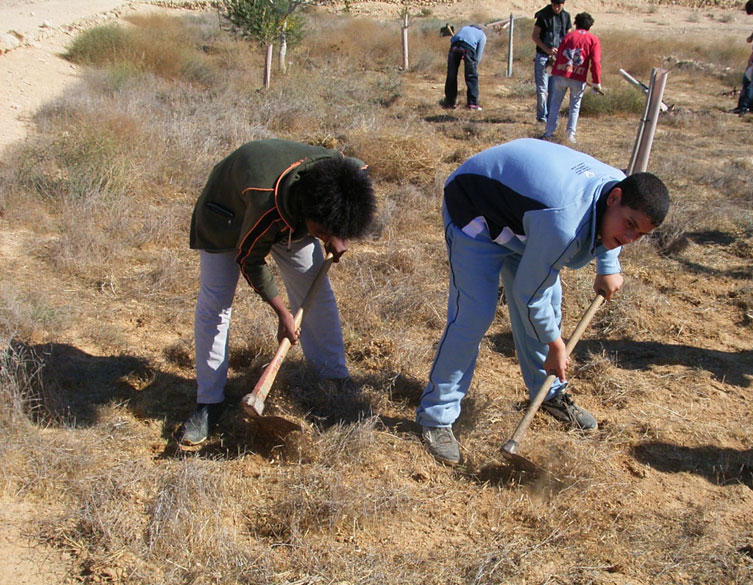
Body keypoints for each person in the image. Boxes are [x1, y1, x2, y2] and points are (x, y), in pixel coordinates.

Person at [417, 138, 670, 465]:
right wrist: (555, 346)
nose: (630, 238)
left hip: (523, 216)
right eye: (630, 227)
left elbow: (541, 290)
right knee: (473, 315)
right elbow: (527, 294)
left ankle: (547, 394)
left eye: (640, 235)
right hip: (475, 206)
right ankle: (436, 416)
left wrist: (609, 265)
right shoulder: (563, 222)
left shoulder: (616, 188)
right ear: (615, 198)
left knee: (549, 305)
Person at [182, 139, 376, 446]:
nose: (324, 237)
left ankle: (334, 377)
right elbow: (249, 260)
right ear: (308, 212)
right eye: (322, 231)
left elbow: (356, 174)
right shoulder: (264, 202)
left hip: (291, 212)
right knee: (216, 305)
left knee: (316, 292)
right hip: (227, 214)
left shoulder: (338, 176)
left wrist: (335, 232)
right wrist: (282, 313)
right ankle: (209, 402)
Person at [542, 12, 602, 144]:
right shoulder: (593, 40)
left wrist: (553, 69)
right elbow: (596, 62)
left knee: (554, 104)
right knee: (574, 106)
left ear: (576, 24)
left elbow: (559, 55)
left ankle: (549, 132)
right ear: (589, 26)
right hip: (578, 77)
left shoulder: (568, 36)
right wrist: (596, 81)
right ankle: (570, 135)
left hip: (561, 74)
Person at [532, 0, 572, 123]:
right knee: (542, 88)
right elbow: (535, 36)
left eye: (559, 6)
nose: (556, 8)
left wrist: (562, 51)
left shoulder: (566, 17)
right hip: (543, 57)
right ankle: (542, 116)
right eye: (554, 5)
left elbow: (568, 37)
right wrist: (547, 49)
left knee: (554, 89)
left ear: (563, 4)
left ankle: (551, 115)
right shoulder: (543, 16)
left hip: (558, 59)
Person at [443, 24, 487, 110]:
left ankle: (449, 103)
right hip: (468, 47)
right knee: (471, 76)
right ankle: (473, 104)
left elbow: (452, 40)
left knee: (451, 75)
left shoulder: (464, 28)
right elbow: (478, 54)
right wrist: (474, 66)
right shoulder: (482, 35)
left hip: (454, 46)